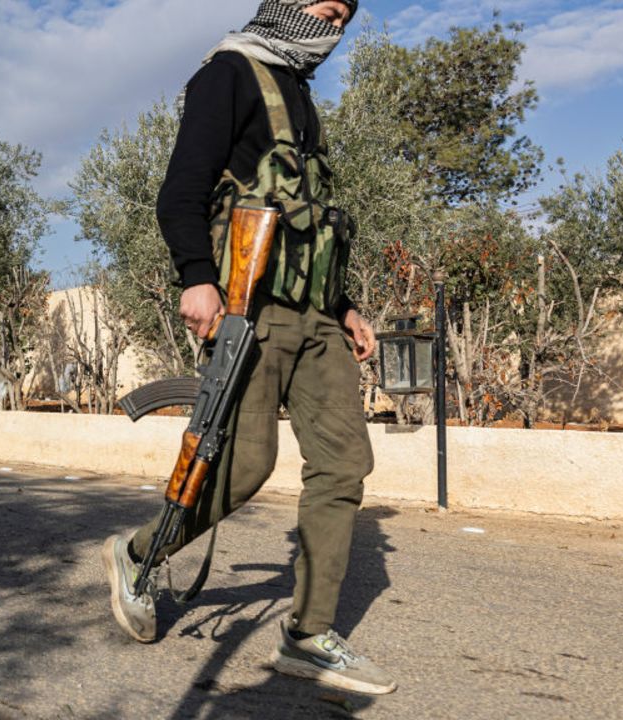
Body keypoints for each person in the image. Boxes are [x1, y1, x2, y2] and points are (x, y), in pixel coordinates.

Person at [101, 0, 397, 696]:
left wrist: (345, 305)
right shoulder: (230, 74)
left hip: (316, 319)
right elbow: (180, 193)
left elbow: (310, 226)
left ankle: (307, 635)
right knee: (244, 465)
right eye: (322, 8)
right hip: (248, 308)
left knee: (345, 465)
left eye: (344, 16)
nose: (333, 23)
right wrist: (196, 280)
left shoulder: (302, 95)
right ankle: (139, 553)